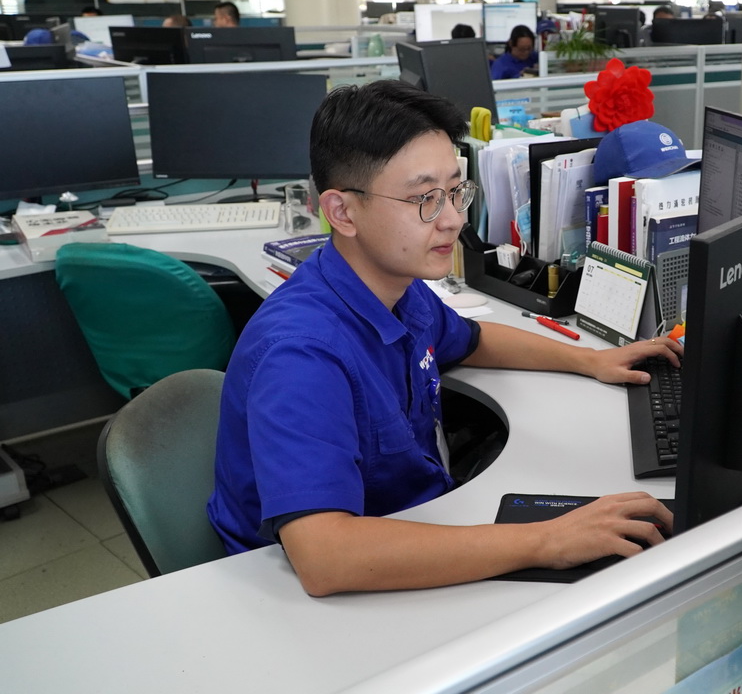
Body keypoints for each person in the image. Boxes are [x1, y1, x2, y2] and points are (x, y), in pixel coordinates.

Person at [207, 79, 680, 595]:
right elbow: (326, 558)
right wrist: (547, 540)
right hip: (314, 591)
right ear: (342, 212)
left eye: (455, 191)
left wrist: (589, 360)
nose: (453, 220)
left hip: (414, 522)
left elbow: (473, 340)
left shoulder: (396, 285)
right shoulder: (301, 355)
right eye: (424, 199)